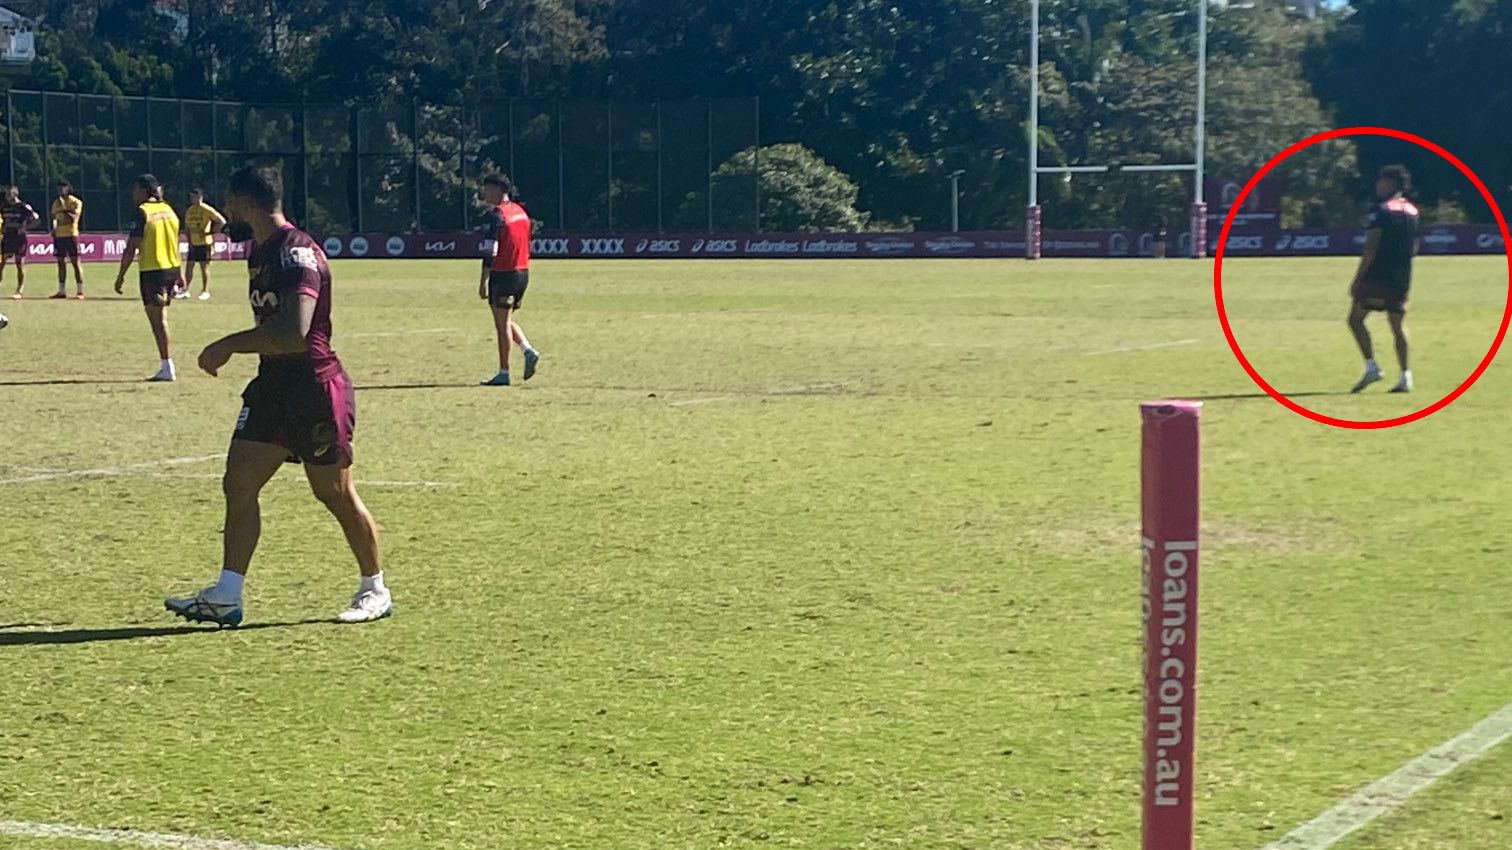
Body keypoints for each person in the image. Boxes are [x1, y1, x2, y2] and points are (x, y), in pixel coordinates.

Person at [165, 166, 391, 627]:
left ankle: (375, 589)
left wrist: (228, 344)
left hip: (313, 388)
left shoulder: (296, 253)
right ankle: (227, 594)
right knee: (239, 482)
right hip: (272, 388)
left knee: (334, 492)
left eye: (231, 200)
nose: (227, 209)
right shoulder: (260, 249)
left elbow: (295, 334)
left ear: (245, 201)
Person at [1348, 164, 1420, 394]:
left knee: (1355, 319)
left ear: (1392, 184)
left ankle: (1372, 366)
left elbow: (1371, 247)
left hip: (1378, 275)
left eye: (1382, 181)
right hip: (1402, 276)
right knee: (1398, 326)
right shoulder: (1413, 211)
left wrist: (1358, 277)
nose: (1378, 185)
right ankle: (1405, 376)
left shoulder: (1381, 211)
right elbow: (1414, 247)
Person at [113, 174, 185, 382]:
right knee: (160, 319)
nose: (133, 194)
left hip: (153, 271)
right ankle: (166, 364)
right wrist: (179, 274)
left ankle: (167, 366)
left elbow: (131, 247)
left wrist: (120, 276)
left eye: (136, 189)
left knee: (158, 321)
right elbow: (175, 243)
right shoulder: (169, 210)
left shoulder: (142, 212)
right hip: (171, 268)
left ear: (145, 190)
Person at [478, 174, 540, 386]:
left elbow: (490, 251)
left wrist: (483, 281)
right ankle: (527, 349)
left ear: (497, 189)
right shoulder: (520, 212)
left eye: (486, 188)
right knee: (505, 319)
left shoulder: (497, 215)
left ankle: (504, 372)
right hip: (522, 272)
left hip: (503, 273)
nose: (483, 193)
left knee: (501, 323)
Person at [183, 188, 227, 300]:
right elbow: (187, 227)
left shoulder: (207, 209)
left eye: (195, 197)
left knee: (204, 267)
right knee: (189, 267)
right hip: (193, 242)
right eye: (191, 197)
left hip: (204, 242)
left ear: (200, 197)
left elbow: (222, 221)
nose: (193, 199)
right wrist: (189, 241)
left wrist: (211, 232)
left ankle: (205, 291)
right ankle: (186, 290)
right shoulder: (190, 210)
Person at [2, 186, 39, 299]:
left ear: (14, 194)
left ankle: (19, 289)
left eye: (8, 194)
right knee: (1, 262)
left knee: (19, 263)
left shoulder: (23, 207)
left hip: (19, 238)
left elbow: (36, 218)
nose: (6, 196)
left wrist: (25, 228)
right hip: (7, 237)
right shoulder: (4, 207)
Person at [50, 181, 85, 299]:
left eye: (62, 189)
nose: (59, 191)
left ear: (67, 189)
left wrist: (65, 209)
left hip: (71, 235)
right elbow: (55, 219)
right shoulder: (56, 203)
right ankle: (62, 290)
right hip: (59, 236)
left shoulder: (75, 202)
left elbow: (74, 219)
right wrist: (54, 230)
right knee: (61, 263)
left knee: (75, 262)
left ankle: (80, 291)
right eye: (58, 189)